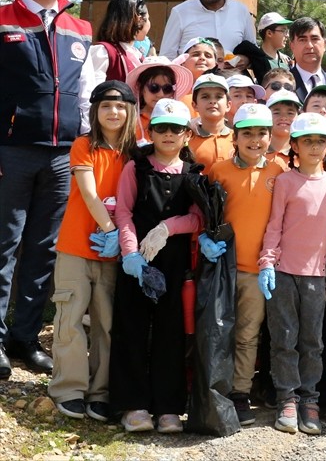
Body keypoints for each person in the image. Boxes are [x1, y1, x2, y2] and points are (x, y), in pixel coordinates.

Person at [0, 0, 93, 379]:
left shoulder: (81, 27)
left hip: (61, 156)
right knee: (4, 247)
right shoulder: (2, 20)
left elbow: (89, 94)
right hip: (12, 150)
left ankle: (25, 338)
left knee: (43, 251)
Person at [110, 98, 219, 433]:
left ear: (187, 134)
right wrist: (130, 253)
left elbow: (198, 218)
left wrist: (167, 227)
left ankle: (169, 407)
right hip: (138, 261)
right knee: (131, 329)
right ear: (151, 132)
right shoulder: (136, 168)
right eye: (161, 128)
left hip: (174, 264)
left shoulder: (193, 173)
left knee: (171, 334)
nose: (168, 134)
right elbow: (124, 211)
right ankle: (133, 405)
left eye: (176, 128)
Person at [49, 80, 138, 422]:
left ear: (130, 111)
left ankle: (100, 391)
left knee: (107, 322)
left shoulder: (136, 152)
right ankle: (69, 388)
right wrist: (111, 230)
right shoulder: (84, 145)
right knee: (69, 318)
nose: (113, 112)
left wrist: (122, 241)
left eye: (120, 106)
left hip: (115, 255)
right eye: (105, 106)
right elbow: (89, 193)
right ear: (95, 111)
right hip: (76, 245)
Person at [258, 112, 326, 435]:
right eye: (308, 141)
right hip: (284, 272)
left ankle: (310, 399)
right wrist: (267, 262)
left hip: (317, 274)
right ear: (295, 145)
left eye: (321, 141)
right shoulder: (285, 181)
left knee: (312, 341)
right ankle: (286, 398)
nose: (315, 147)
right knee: (284, 339)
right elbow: (274, 225)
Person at [205, 102, 285, 426]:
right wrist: (204, 239)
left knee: (248, 334)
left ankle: (240, 393)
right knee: (218, 331)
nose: (255, 140)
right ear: (235, 137)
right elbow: (207, 216)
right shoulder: (219, 171)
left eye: (261, 134)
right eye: (247, 134)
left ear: (270, 136)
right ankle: (215, 390)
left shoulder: (279, 172)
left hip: (258, 270)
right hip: (222, 268)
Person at [80, 0, 147, 114]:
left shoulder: (137, 54)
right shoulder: (104, 52)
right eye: (146, 16)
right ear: (137, 18)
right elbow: (92, 94)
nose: (147, 21)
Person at [289, 17, 326, 102]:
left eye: (315, 39)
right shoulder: (283, 83)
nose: (309, 45)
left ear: (325, 44)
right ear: (292, 46)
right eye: (302, 40)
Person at [187, 74, 234, 171]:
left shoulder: (238, 138)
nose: (212, 101)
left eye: (218, 96)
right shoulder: (187, 140)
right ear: (194, 105)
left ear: (228, 105)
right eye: (205, 97)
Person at [237, 12, 292, 83]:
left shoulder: (286, 61)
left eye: (287, 31)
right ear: (269, 33)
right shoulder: (250, 59)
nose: (287, 35)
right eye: (283, 31)